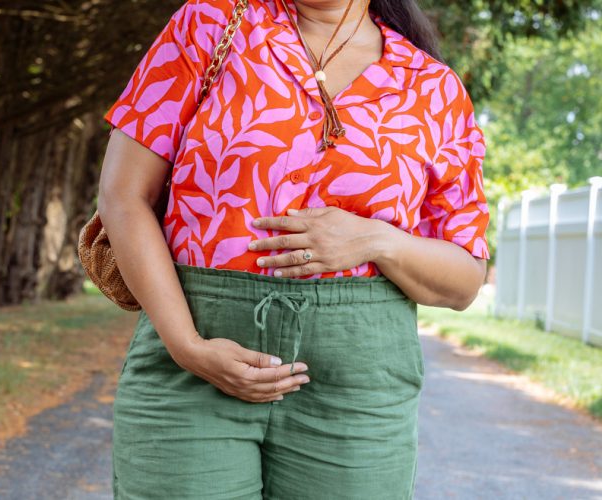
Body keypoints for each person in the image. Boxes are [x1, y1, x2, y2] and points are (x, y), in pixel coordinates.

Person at [97, 0, 490, 498]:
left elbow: (465, 278)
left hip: (356, 396)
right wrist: (187, 346)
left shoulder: (433, 89)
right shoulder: (211, 25)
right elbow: (123, 195)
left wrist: (376, 240)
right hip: (192, 367)